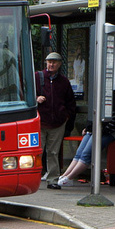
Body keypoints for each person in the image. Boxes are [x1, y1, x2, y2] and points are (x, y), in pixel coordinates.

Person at [58, 90, 115, 186]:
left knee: (86, 154)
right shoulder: (97, 95)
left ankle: (69, 177)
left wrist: (97, 130)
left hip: (107, 132)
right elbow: (92, 116)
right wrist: (88, 128)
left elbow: (114, 122)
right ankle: (65, 175)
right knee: (79, 153)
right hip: (95, 130)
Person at [36, 52, 76, 189]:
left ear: (59, 64)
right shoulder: (38, 77)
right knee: (37, 151)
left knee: (53, 152)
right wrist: (36, 99)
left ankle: (52, 179)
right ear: (46, 63)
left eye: (54, 62)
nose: (51, 64)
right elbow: (25, 94)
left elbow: (71, 102)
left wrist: (66, 116)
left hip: (58, 123)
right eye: (49, 62)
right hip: (40, 121)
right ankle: (34, 178)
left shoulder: (64, 82)